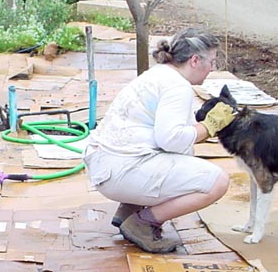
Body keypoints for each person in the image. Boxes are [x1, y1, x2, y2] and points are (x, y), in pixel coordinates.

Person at [82, 28, 234, 253]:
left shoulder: (160, 73)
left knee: (186, 154)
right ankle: (143, 223)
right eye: (211, 61)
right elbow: (171, 140)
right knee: (217, 182)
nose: (212, 68)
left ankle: (129, 209)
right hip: (120, 171)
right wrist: (209, 126)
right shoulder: (177, 86)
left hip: (105, 164)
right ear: (194, 60)